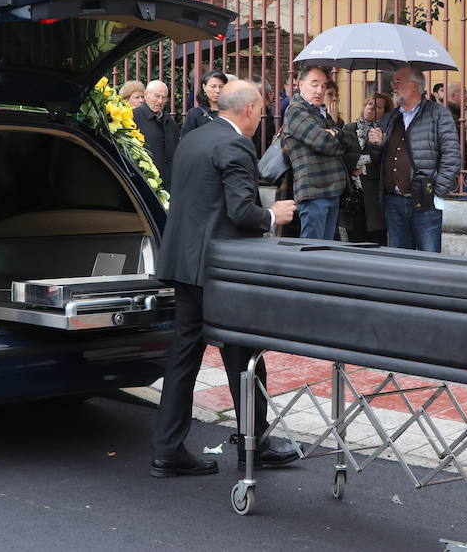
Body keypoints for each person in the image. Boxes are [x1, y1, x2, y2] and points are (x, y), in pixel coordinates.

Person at [149, 80, 297, 477]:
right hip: (218, 270)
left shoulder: (193, 137)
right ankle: (256, 443)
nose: (261, 118)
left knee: (183, 358)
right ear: (249, 109)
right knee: (245, 353)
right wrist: (273, 216)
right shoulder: (235, 145)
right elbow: (240, 210)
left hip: (184, 264)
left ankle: (167, 449)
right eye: (261, 111)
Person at [375, 66, 462, 252]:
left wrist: (436, 190)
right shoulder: (390, 118)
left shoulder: (439, 115)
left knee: (429, 260)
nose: (393, 85)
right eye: (393, 82)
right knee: (398, 259)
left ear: (415, 86)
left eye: (398, 81)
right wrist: (377, 144)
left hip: (425, 201)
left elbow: (452, 156)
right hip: (394, 201)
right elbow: (377, 159)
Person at [281, 66, 347, 240]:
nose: (320, 90)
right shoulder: (296, 110)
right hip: (313, 191)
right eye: (314, 84)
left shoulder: (319, 112)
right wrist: (334, 135)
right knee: (312, 253)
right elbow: (324, 142)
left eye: (324, 86)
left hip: (331, 190)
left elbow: (346, 137)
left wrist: (335, 133)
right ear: (300, 84)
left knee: (327, 252)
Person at [340, 92, 391, 245]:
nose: (371, 108)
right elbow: (341, 155)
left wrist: (362, 164)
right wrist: (357, 162)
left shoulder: (384, 133)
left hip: (375, 197)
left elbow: (385, 159)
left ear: (385, 112)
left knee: (377, 242)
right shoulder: (349, 128)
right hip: (354, 195)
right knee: (355, 242)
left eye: (377, 107)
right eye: (370, 104)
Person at [133, 80, 179, 186]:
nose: (160, 101)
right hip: (143, 184)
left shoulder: (170, 122)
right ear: (146, 95)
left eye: (164, 97)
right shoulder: (133, 117)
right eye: (157, 96)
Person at [181, 69, 226, 136]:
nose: (217, 90)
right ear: (204, 87)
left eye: (221, 86)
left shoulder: (230, 112)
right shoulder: (194, 114)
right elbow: (186, 140)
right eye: (213, 86)